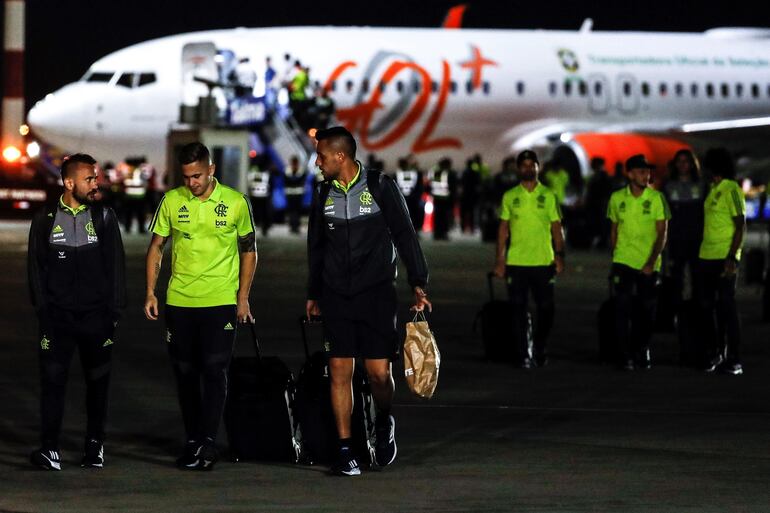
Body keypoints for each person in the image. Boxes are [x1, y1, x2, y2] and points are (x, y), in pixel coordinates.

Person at [306, 126, 431, 476]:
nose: (317, 163)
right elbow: (315, 247)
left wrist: (418, 282)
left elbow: (406, 233)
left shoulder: (379, 187)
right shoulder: (322, 194)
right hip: (335, 295)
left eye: (321, 157)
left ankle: (383, 420)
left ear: (340, 156)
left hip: (376, 293)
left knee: (378, 373)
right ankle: (346, 451)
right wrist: (313, 293)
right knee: (339, 372)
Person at [144, 142, 257, 470]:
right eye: (186, 177)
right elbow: (156, 247)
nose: (191, 183)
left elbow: (249, 251)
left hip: (220, 301)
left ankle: (207, 441)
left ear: (211, 170)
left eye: (197, 176)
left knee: (214, 369)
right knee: (185, 374)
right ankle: (193, 438)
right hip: (179, 302)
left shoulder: (235, 203)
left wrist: (243, 297)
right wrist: (151, 292)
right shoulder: (171, 201)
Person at [27, 153, 127, 470]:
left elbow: (116, 268)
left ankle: (94, 446)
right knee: (52, 383)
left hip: (97, 319)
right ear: (69, 183)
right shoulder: (44, 219)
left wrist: (113, 313)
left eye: (96, 177)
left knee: (98, 383)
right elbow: (35, 269)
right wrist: (44, 311)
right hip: (57, 320)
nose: (96, 183)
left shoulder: (104, 217)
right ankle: (50, 449)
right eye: (89, 179)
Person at [493, 150, 565, 368]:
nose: (527, 168)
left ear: (538, 167)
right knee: (517, 310)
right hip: (516, 263)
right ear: (518, 169)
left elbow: (556, 228)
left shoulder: (549, 195)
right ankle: (524, 352)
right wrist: (500, 259)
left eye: (531, 165)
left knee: (546, 308)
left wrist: (560, 256)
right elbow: (503, 229)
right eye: (523, 165)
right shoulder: (510, 196)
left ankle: (540, 345)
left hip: (544, 262)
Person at [607, 154, 670, 370]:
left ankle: (642, 348)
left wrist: (652, 261)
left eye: (648, 172)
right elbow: (614, 229)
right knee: (622, 307)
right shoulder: (617, 198)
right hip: (623, 260)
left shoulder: (656, 198)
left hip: (649, 262)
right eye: (642, 172)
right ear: (630, 173)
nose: (647, 175)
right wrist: (615, 255)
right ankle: (624, 354)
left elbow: (662, 232)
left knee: (646, 309)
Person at [698, 148, 746, 375]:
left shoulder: (731, 189)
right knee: (707, 307)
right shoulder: (712, 189)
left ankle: (734, 358)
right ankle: (714, 353)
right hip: (706, 256)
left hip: (724, 258)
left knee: (727, 307)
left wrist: (732, 257)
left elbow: (740, 225)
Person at [663, 149, 705, 307]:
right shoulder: (668, 185)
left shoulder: (701, 185)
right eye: (679, 161)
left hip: (696, 238)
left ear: (692, 164)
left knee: (697, 275)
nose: (682, 165)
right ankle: (675, 308)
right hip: (676, 238)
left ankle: (696, 309)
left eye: (686, 161)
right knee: (675, 276)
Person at [584, 157, 612, 248]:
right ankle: (598, 240)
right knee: (595, 222)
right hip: (594, 203)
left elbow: (607, 190)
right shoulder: (594, 176)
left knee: (601, 222)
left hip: (600, 203)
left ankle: (602, 241)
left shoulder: (604, 177)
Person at [429, 157, 458, 240]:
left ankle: (437, 234)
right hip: (446, 199)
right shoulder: (451, 173)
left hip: (436, 199)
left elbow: (431, 185)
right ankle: (444, 234)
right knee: (445, 217)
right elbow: (453, 187)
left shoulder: (435, 173)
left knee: (437, 217)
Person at [246, 158, 273, 236]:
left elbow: (248, 184)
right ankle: (264, 228)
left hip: (254, 195)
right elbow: (270, 185)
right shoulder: (266, 174)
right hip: (264, 195)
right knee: (265, 213)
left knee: (254, 212)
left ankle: (254, 227)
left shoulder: (251, 174)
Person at [284, 155, 307, 234]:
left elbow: (289, 181)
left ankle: (296, 226)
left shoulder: (298, 171)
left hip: (297, 193)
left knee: (296, 211)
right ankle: (293, 226)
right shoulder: (288, 171)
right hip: (292, 192)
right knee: (293, 210)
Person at [460, 157, 481, 233]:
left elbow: (461, 184)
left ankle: (463, 228)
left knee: (464, 213)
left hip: (465, 195)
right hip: (472, 196)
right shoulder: (475, 173)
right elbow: (478, 185)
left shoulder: (463, 173)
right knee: (472, 213)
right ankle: (471, 228)